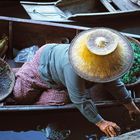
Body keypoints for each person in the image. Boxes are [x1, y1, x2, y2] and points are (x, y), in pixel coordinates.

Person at [12, 27, 140, 137]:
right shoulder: (73, 66)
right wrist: (101, 122)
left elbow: (115, 84)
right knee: (21, 96)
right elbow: (80, 99)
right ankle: (22, 73)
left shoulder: (109, 61)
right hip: (44, 66)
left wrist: (130, 105)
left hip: (61, 80)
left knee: (60, 100)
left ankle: (57, 87)